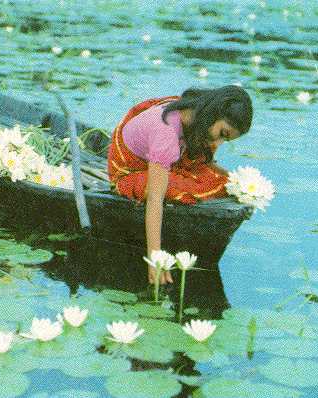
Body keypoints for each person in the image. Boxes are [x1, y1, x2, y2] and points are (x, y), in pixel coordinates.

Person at [107, 85, 253, 285]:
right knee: (181, 188)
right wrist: (155, 259)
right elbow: (155, 199)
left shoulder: (196, 112)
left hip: (158, 154)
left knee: (221, 180)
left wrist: (239, 181)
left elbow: (209, 163)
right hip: (129, 170)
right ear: (213, 112)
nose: (218, 144)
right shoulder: (166, 132)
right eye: (222, 134)